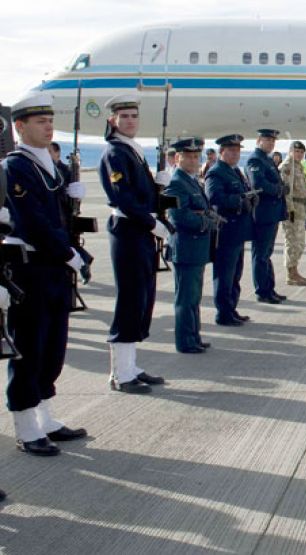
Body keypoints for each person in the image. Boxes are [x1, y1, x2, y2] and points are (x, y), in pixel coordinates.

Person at [3, 93, 88, 456]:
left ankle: (46, 417)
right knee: (30, 347)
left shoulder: (53, 166)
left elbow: (61, 218)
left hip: (55, 267)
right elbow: (32, 221)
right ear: (19, 127)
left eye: (50, 120)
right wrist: (68, 252)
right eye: (40, 121)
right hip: (32, 267)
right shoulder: (16, 167)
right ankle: (25, 425)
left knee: (53, 348)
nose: (48, 126)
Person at [99, 93, 168, 394]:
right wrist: (152, 222)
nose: (130, 121)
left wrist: (160, 187)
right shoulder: (115, 153)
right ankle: (120, 373)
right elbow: (122, 197)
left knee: (142, 297)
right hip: (129, 229)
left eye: (134, 116)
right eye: (124, 116)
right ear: (112, 120)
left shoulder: (132, 151)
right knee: (129, 299)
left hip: (139, 230)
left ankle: (131, 366)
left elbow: (142, 194)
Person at [164, 137, 216, 354]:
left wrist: (205, 216)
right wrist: (206, 221)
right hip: (186, 247)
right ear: (178, 158)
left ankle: (194, 335)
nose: (195, 161)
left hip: (196, 248)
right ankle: (185, 341)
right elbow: (178, 216)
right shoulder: (177, 182)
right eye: (190, 156)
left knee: (194, 296)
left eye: (197, 156)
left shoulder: (191, 180)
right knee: (185, 298)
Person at [206, 134, 254, 326]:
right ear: (221, 152)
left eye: (237, 151)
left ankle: (231, 308)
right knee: (225, 274)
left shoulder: (234, 171)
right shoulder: (216, 172)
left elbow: (242, 191)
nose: (235, 154)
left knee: (235, 273)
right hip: (226, 230)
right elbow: (214, 197)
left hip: (238, 231)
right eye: (231, 151)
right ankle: (223, 313)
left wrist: (249, 199)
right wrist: (239, 201)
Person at [245, 129, 288, 304]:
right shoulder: (255, 159)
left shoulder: (267, 160)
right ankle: (262, 291)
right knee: (261, 254)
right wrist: (279, 189)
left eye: (273, 141)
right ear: (258, 141)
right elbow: (258, 184)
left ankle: (269, 288)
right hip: (263, 213)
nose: (271, 143)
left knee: (266, 253)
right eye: (267, 140)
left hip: (272, 213)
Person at [279, 141, 306, 286]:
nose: (299, 155)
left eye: (301, 152)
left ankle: (295, 270)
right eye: (296, 151)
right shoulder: (287, 167)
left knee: (299, 243)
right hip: (292, 209)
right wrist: (290, 210)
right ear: (290, 151)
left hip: (300, 208)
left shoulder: (298, 166)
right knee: (292, 242)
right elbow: (286, 191)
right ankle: (291, 274)